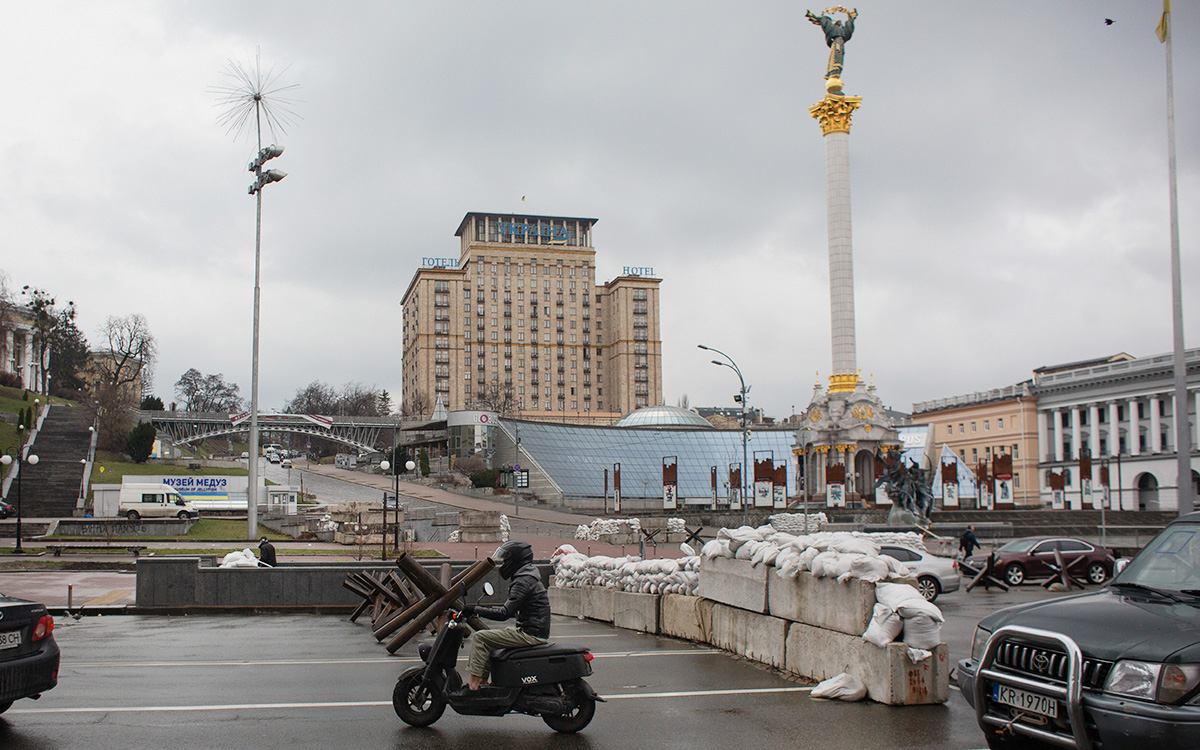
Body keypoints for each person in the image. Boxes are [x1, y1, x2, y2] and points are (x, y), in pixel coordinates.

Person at [456, 540, 550, 694]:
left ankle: (473, 686)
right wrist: (480, 609)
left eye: (506, 560)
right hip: (533, 630)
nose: (504, 564)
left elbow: (504, 613)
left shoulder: (523, 582)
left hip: (530, 634)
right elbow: (510, 608)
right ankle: (484, 682)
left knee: (480, 638)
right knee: (491, 639)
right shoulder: (527, 577)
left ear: (516, 561)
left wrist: (475, 609)